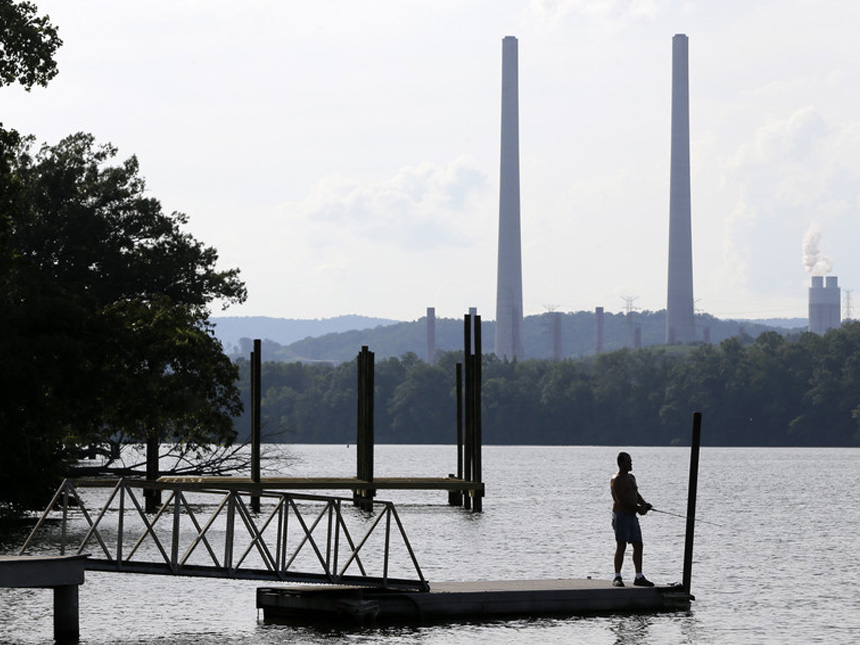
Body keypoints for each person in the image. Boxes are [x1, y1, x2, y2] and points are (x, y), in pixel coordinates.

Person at [610, 451, 654, 587]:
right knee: (621, 545)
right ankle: (617, 577)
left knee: (638, 544)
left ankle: (639, 576)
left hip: (632, 516)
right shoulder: (616, 480)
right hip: (621, 515)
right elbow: (621, 500)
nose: (631, 463)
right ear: (621, 463)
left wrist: (644, 505)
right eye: (628, 461)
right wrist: (638, 509)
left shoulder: (631, 477)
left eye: (631, 461)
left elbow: (636, 493)